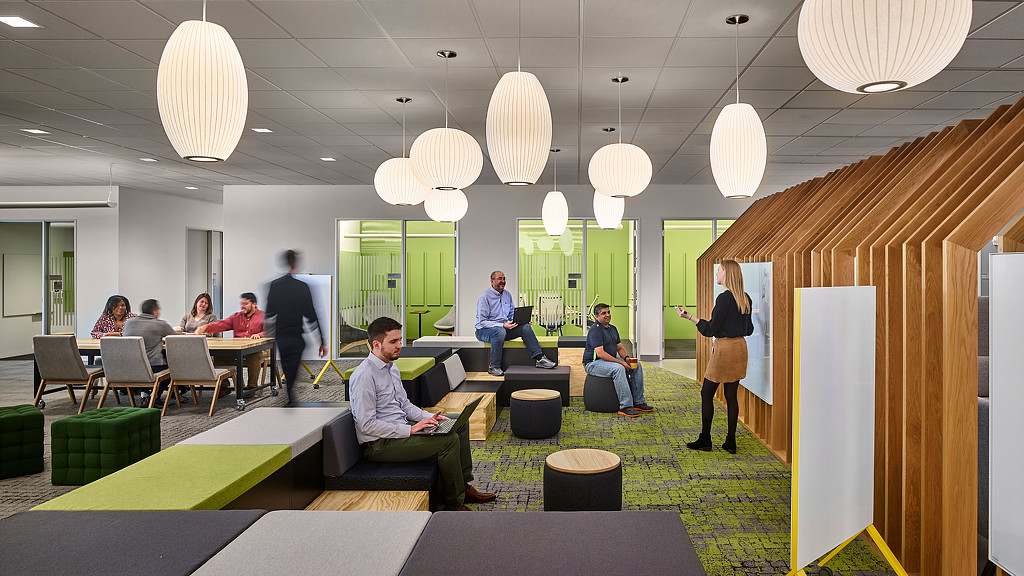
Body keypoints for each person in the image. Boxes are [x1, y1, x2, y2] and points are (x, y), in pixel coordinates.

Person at [350, 317, 496, 511]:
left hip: (400, 430)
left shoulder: (391, 368)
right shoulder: (363, 377)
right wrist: (410, 430)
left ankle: (463, 485)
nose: (400, 346)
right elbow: (366, 425)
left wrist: (426, 417)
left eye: (400, 340)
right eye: (393, 342)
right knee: (448, 440)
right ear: (376, 344)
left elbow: (405, 404)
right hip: (379, 445)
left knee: (459, 422)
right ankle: (453, 503)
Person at [677, 259, 753, 454]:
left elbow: (710, 329)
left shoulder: (724, 298)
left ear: (727, 273)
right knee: (731, 395)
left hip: (725, 349)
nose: (716, 273)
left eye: (719, 270)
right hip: (740, 347)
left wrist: (691, 319)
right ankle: (730, 441)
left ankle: (705, 439)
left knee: (706, 393)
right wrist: (691, 317)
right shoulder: (745, 298)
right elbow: (749, 329)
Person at [265, 249, 327, 405]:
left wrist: (267, 337)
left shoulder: (275, 285)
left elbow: (269, 313)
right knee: (293, 366)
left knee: (286, 365)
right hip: (295, 335)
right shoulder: (302, 287)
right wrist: (322, 341)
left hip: (281, 335)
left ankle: (290, 395)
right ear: (296, 264)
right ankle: (290, 395)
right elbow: (312, 316)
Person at [474, 270, 556, 376]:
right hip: (484, 331)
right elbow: (482, 322)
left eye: (504, 278)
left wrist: (522, 320)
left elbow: (511, 314)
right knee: (499, 331)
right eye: (500, 278)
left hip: (503, 330)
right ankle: (493, 366)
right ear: (492, 281)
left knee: (525, 327)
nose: (503, 281)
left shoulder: (507, 295)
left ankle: (540, 359)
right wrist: (502, 325)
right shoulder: (484, 297)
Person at [582, 303, 652, 418]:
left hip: (609, 361)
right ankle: (626, 406)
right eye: (603, 313)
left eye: (608, 312)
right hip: (593, 363)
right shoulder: (595, 330)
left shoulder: (613, 329)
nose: (607, 315)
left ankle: (639, 402)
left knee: (637, 366)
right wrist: (621, 363)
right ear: (596, 316)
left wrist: (626, 358)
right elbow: (601, 353)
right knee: (619, 369)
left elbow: (619, 348)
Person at [197, 292, 267, 390]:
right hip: (239, 348)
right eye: (241, 304)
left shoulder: (262, 316)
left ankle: (252, 387)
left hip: (259, 348)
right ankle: (224, 387)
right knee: (220, 356)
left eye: (245, 304)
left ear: (254, 304)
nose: (242, 306)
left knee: (253, 355)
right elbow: (222, 324)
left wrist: (259, 335)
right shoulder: (237, 316)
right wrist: (206, 327)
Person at [122, 299, 178, 407]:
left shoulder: (128, 323)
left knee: (143, 367)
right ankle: (155, 396)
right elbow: (178, 338)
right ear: (155, 311)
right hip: (154, 365)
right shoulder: (159, 324)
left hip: (131, 367)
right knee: (173, 371)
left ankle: (144, 395)